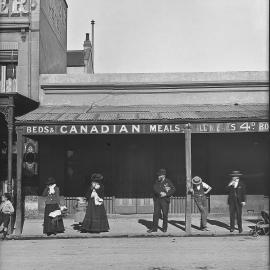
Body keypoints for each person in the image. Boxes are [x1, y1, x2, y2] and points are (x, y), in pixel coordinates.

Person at [148, 168, 176, 233]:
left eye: (159, 175)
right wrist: (160, 193)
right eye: (158, 175)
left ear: (163, 176)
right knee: (156, 214)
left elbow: (173, 189)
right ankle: (154, 228)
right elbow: (154, 188)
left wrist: (166, 194)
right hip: (157, 200)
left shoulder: (168, 181)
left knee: (165, 214)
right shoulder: (156, 181)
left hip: (165, 200)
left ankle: (164, 228)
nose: (158, 176)